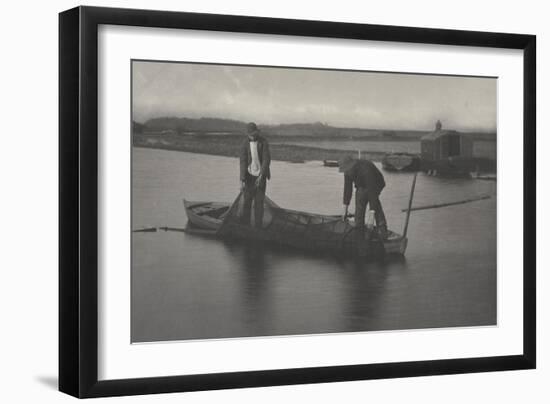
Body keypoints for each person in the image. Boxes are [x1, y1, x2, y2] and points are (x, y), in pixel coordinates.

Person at [339, 155, 388, 239]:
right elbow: (348, 189)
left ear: (352, 166)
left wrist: (371, 215)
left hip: (376, 183)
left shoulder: (366, 169)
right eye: (345, 171)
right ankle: (359, 230)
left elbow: (372, 191)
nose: (346, 173)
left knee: (374, 203)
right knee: (360, 202)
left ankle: (382, 230)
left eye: (347, 171)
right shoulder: (347, 171)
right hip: (361, 185)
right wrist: (345, 209)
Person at [239, 122, 271, 228]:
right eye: (250, 134)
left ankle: (258, 227)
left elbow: (266, 159)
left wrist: (261, 176)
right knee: (247, 202)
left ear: (257, 132)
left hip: (260, 177)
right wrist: (242, 180)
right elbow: (243, 161)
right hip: (248, 176)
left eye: (254, 134)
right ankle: (245, 226)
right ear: (248, 134)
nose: (252, 136)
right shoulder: (244, 144)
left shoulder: (263, 142)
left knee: (259, 203)